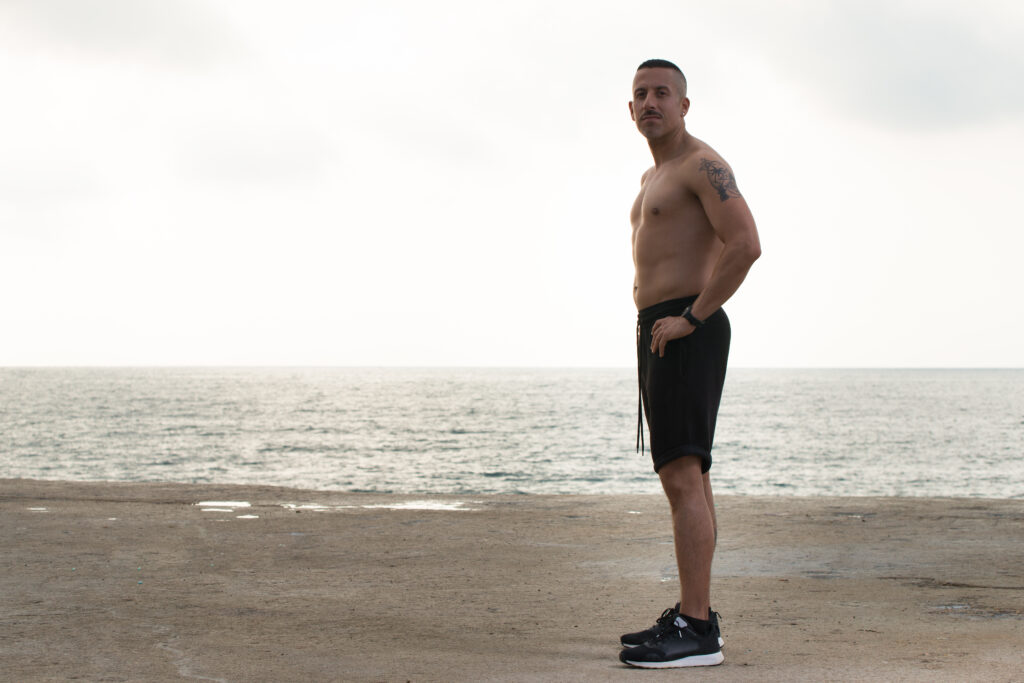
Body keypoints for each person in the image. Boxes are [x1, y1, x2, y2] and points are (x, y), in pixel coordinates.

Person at [618, 59, 761, 669]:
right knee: (692, 476)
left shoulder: (703, 165)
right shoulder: (654, 175)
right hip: (664, 329)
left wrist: (692, 318)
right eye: (641, 95)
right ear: (631, 111)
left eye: (662, 93)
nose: (651, 102)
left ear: (684, 105)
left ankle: (697, 628)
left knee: (680, 475)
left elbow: (746, 243)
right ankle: (692, 613)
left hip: (685, 328)